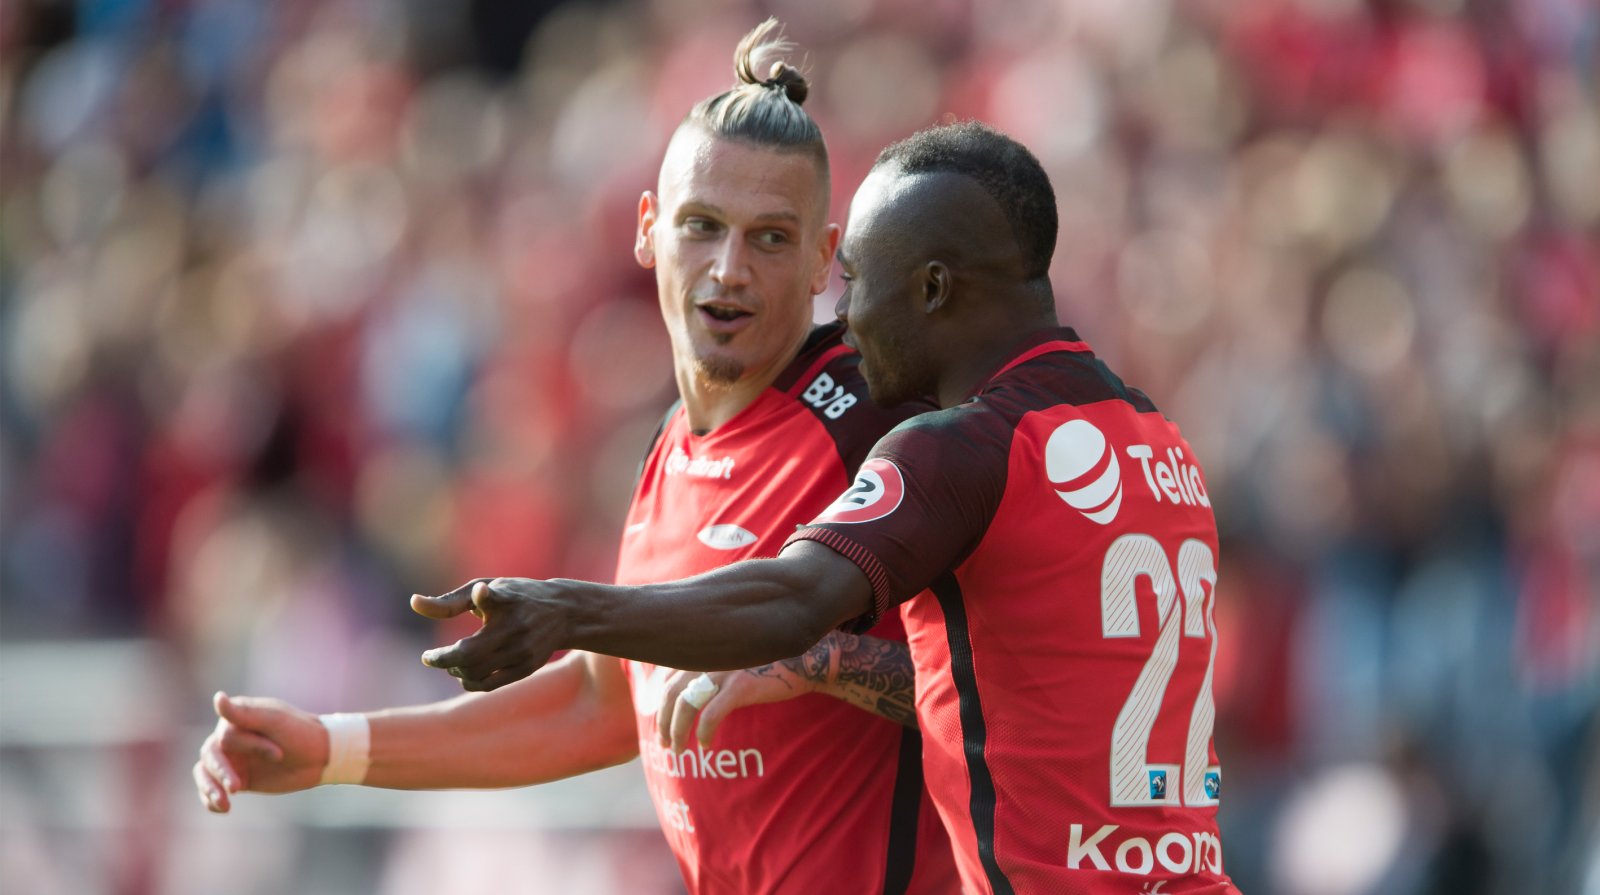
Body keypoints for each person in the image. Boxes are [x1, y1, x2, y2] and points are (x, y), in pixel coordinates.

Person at [192, 20, 957, 895]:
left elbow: (1004, 686)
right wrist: (333, 748)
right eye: (702, 226)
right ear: (648, 229)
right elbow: (600, 701)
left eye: (771, 238)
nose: (729, 268)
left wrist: (820, 660)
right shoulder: (671, 447)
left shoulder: (881, 426)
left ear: (824, 257)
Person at [416, 121, 1240, 894]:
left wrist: (565, 610)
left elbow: (791, 597)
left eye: (857, 280)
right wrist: (829, 663)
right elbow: (1026, 691)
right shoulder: (1156, 439)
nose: (843, 316)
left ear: (931, 289)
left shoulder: (960, 451)